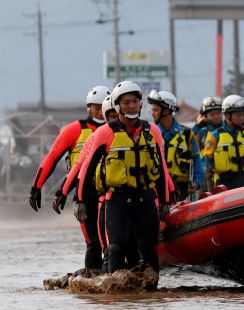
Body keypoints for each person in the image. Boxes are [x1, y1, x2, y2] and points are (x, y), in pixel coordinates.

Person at [74, 81, 174, 273]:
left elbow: (162, 169)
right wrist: (80, 200)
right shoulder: (105, 133)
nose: (131, 106)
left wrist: (165, 201)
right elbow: (86, 169)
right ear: (118, 106)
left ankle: (150, 298)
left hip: (145, 198)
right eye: (126, 102)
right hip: (116, 201)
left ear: (140, 104)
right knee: (116, 249)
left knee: (148, 250)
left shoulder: (152, 131)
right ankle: (117, 298)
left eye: (135, 101)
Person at [53, 94, 139, 272]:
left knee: (132, 247)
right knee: (102, 246)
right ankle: (100, 290)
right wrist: (65, 193)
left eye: (117, 117)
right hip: (103, 199)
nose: (114, 121)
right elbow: (78, 168)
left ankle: (135, 292)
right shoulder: (98, 137)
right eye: (111, 117)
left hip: (132, 199)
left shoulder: (135, 136)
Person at [29, 85, 110, 270]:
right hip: (85, 194)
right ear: (88, 107)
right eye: (96, 107)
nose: (100, 111)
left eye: (103, 107)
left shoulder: (117, 129)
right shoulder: (74, 130)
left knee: (114, 243)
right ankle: (93, 291)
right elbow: (51, 158)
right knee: (93, 243)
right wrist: (36, 187)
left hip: (112, 191)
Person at [201, 94, 244, 190]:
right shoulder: (214, 137)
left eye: (242, 114)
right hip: (223, 189)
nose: (242, 118)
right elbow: (205, 167)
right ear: (227, 115)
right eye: (238, 115)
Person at [148, 90, 204, 201]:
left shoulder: (187, 135)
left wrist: (197, 183)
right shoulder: (149, 134)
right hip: (156, 191)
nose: (152, 113)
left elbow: (197, 161)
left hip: (182, 192)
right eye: (152, 110)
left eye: (155, 110)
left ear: (167, 110)